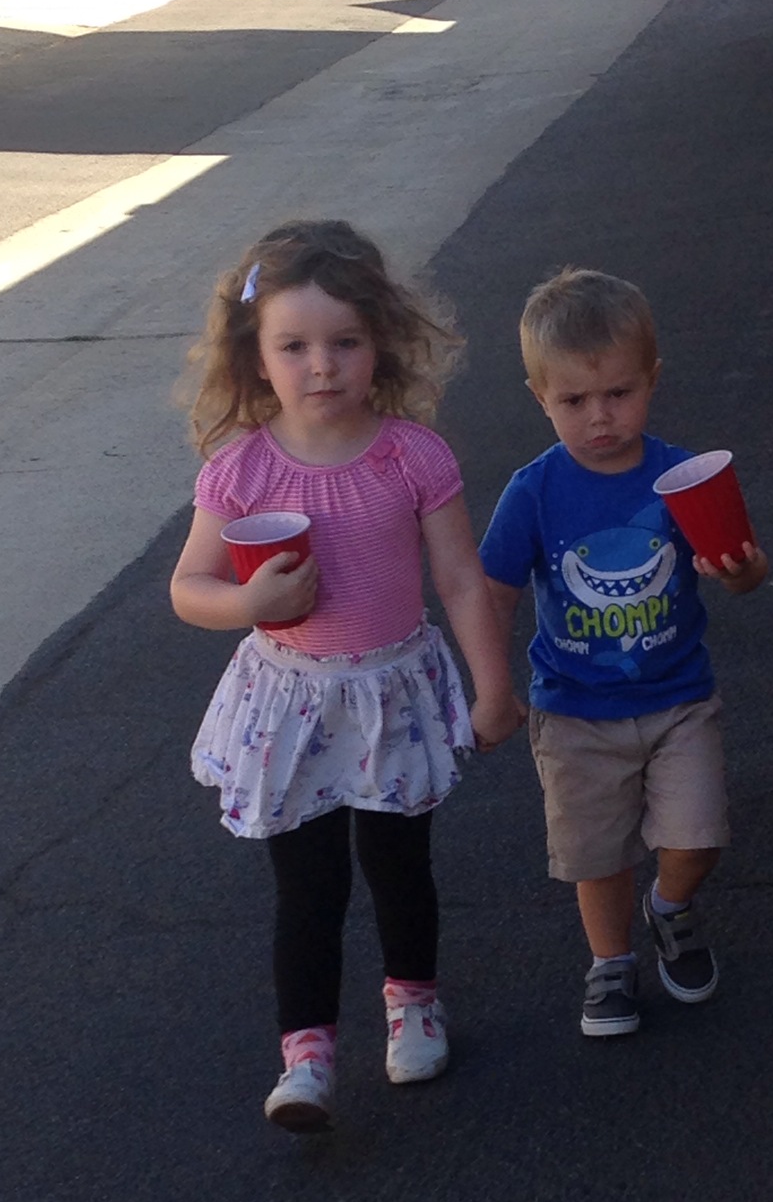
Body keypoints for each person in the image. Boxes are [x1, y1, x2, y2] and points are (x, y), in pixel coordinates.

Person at [171, 219, 524, 1131]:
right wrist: (247, 604)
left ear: (381, 344)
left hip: (392, 692)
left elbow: (458, 577)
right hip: (290, 701)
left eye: (345, 342)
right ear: (256, 357)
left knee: (400, 866)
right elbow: (189, 587)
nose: (321, 366)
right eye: (294, 346)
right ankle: (307, 1055)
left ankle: (414, 1004)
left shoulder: (412, 456)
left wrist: (493, 687)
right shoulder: (241, 470)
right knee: (309, 885)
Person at [479, 266, 769, 1038]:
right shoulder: (534, 492)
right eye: (574, 401)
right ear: (540, 397)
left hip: (678, 697)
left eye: (619, 393)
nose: (600, 416)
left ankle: (670, 904)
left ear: (652, 380)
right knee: (597, 854)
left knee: (697, 838)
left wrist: (740, 570)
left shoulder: (680, 476)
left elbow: (747, 570)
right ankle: (610, 961)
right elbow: (493, 589)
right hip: (575, 709)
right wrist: (493, 687)